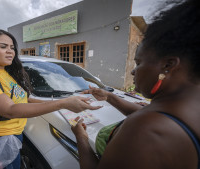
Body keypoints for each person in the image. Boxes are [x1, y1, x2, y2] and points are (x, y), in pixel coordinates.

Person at [71, 0, 200, 169]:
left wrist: (81, 138)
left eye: (138, 63)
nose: (133, 71)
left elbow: (148, 117)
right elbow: (149, 112)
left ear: (168, 65)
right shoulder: (187, 107)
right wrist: (109, 96)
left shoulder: (144, 132)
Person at [0, 29, 101, 169]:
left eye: (12, 48)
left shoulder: (6, 73)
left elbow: (24, 99)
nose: (10, 51)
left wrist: (67, 101)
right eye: (3, 47)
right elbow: (9, 110)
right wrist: (62, 103)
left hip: (13, 136)